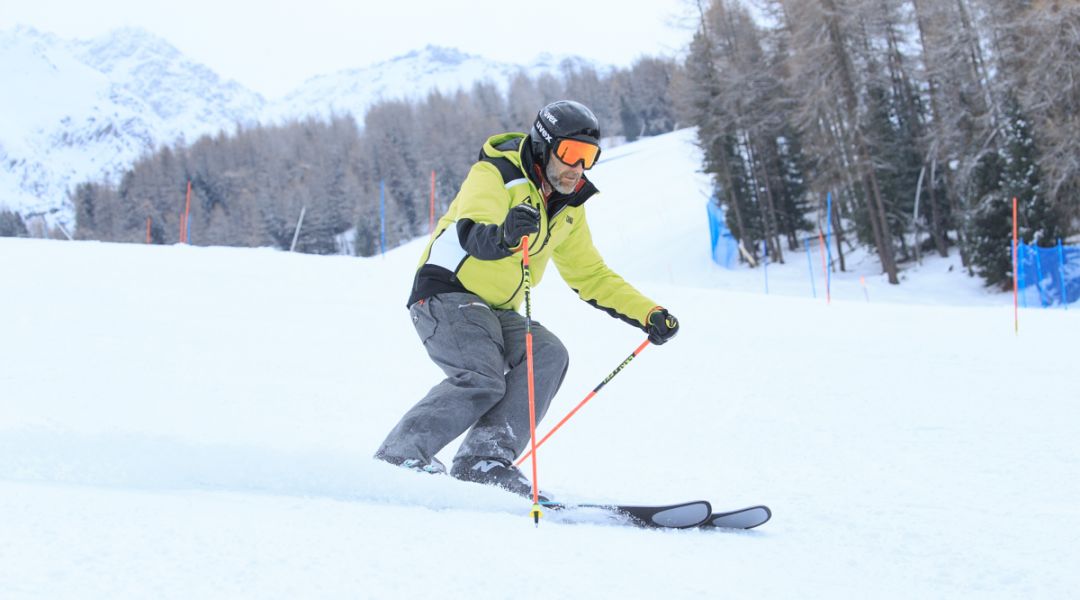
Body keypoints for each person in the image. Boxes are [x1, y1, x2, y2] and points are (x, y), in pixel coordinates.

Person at [374, 100, 679, 498]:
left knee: (548, 352)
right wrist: (504, 234)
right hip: (445, 294)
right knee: (481, 377)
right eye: (571, 153)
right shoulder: (495, 174)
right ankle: (401, 455)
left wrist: (648, 313)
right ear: (543, 145)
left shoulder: (568, 206)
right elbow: (473, 229)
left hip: (495, 310)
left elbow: (590, 274)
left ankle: (483, 460)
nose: (578, 167)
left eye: (589, 157)